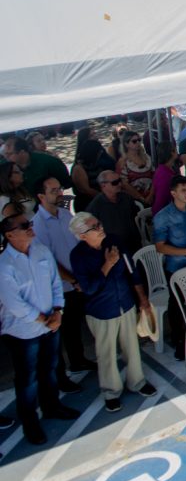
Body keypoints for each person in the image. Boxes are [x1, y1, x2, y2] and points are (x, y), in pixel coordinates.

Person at [0, 213, 82, 444]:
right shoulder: (4, 265)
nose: (30, 228)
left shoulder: (41, 251)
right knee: (27, 379)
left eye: (30, 224)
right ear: (9, 235)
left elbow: (56, 283)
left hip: (50, 324)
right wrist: (44, 319)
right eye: (24, 226)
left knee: (50, 369)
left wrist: (58, 310)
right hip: (23, 332)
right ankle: (30, 423)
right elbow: (14, 303)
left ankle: (52, 406)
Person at [68, 213, 156, 411]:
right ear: (82, 236)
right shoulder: (78, 256)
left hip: (125, 303)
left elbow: (131, 270)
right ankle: (111, 391)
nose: (100, 228)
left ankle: (137, 382)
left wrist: (142, 298)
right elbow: (89, 288)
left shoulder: (113, 241)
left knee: (132, 346)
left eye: (99, 223)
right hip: (101, 311)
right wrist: (107, 264)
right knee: (106, 353)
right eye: (94, 227)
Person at [33, 177, 95, 382]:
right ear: (41, 196)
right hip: (60, 287)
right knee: (58, 333)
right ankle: (60, 376)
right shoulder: (39, 224)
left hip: (76, 281)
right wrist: (73, 280)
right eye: (53, 190)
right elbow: (48, 260)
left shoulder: (65, 214)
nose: (59, 193)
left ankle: (78, 361)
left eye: (59, 189)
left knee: (74, 328)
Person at [153, 175, 186, 359]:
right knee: (177, 304)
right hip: (177, 267)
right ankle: (179, 340)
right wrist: (184, 252)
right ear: (173, 193)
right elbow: (160, 246)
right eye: (183, 190)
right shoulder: (163, 216)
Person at [86, 171, 142, 255]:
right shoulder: (95, 206)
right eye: (115, 182)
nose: (119, 184)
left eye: (120, 180)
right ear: (103, 185)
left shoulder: (126, 198)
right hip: (113, 250)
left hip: (133, 245)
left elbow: (136, 216)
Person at [2, 136, 72, 199]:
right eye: (5, 154)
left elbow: (66, 183)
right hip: (18, 206)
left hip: (48, 205)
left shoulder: (49, 162)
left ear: (22, 152)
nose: (6, 157)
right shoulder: (3, 165)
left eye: (9, 154)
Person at [70, 139, 111, 213]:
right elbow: (86, 189)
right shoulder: (79, 168)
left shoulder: (95, 164)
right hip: (87, 202)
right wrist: (104, 197)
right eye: (99, 152)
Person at [115, 130, 154, 205]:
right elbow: (124, 184)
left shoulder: (147, 157)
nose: (138, 143)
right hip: (134, 201)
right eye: (134, 141)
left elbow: (154, 176)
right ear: (126, 144)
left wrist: (151, 195)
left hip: (151, 196)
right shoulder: (123, 162)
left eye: (139, 140)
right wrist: (141, 198)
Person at [150, 142, 179, 215]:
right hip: (165, 217)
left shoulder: (165, 169)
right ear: (172, 153)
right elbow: (161, 201)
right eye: (175, 150)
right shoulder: (165, 175)